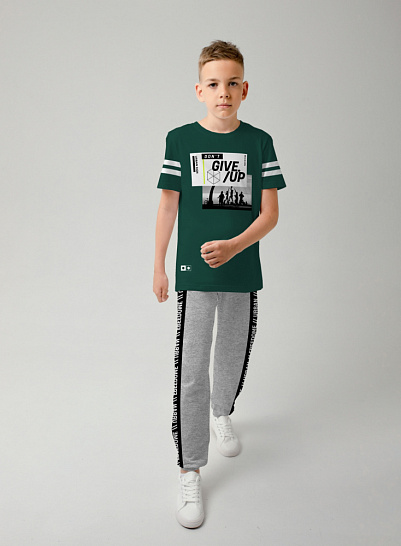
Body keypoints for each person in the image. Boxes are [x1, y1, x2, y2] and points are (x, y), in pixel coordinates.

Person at [153, 40, 286, 529]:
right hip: (195, 274)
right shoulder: (180, 140)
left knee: (231, 356)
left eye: (232, 83)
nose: (223, 92)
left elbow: (270, 214)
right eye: (213, 84)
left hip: (240, 272)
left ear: (244, 89)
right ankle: (190, 469)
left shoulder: (260, 142)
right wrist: (159, 265)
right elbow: (168, 205)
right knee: (191, 370)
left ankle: (221, 412)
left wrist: (233, 247)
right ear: (199, 91)